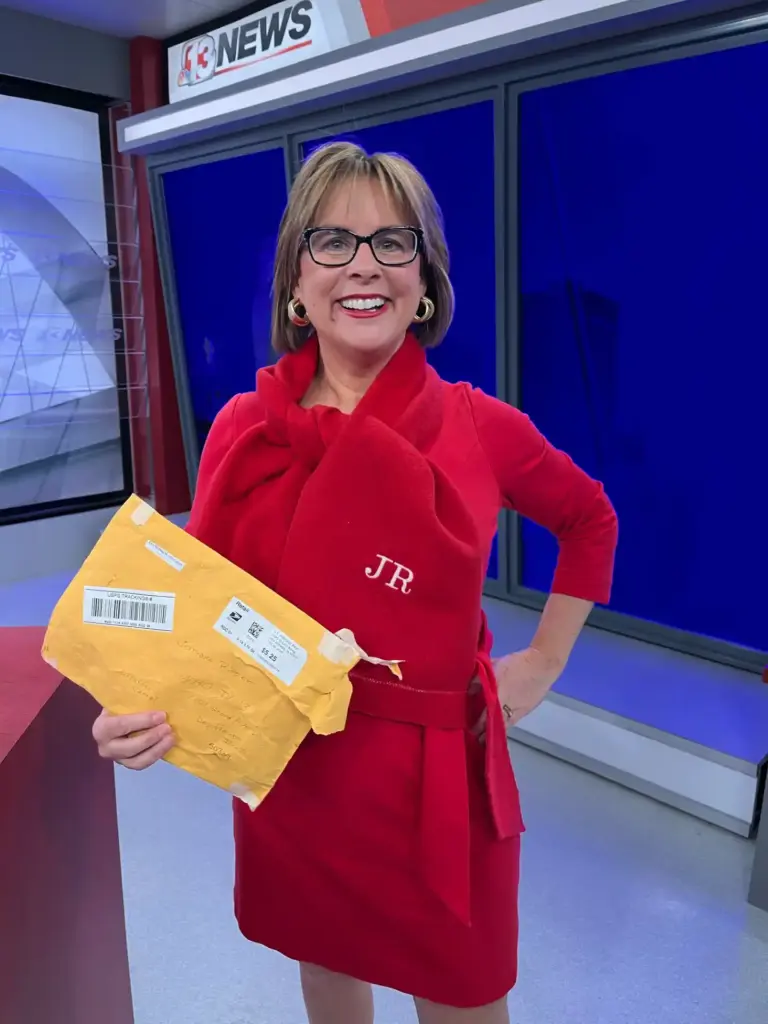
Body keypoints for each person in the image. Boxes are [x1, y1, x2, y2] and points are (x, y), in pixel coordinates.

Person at [93, 141, 618, 1023]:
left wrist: (543, 663)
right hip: (296, 763)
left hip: (436, 779)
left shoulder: (480, 426)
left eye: (393, 242)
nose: (364, 264)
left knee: (461, 989)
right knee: (327, 967)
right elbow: (200, 599)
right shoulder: (243, 430)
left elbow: (589, 519)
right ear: (297, 285)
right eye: (332, 241)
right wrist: (134, 703)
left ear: (425, 284)